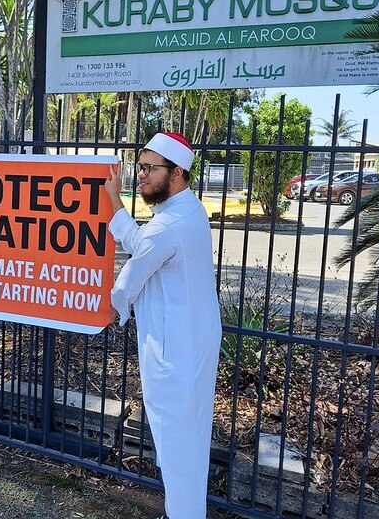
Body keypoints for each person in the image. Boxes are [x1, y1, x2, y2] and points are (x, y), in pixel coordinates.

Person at [104, 132, 221, 518]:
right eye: (140, 166)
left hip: (176, 351)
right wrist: (115, 204)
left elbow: (127, 282)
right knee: (186, 439)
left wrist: (113, 309)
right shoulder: (187, 210)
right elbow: (144, 243)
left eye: (149, 168)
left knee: (177, 445)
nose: (141, 175)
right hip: (191, 341)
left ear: (177, 173)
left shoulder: (168, 225)